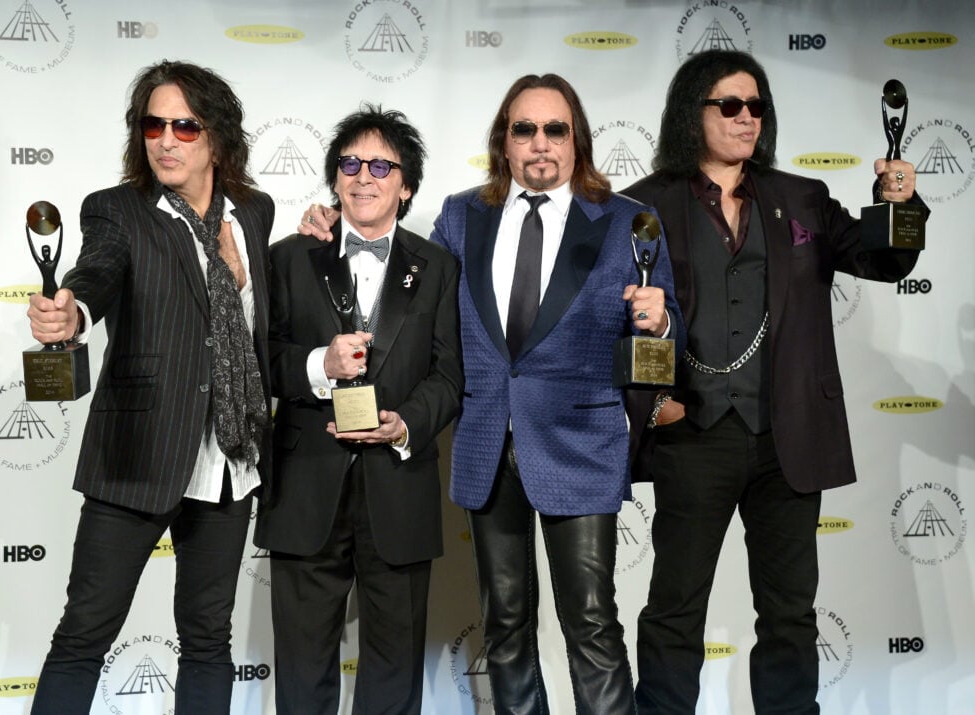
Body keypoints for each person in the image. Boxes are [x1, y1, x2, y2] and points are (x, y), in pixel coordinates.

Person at [302, 73, 685, 714]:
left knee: (590, 623)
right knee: (504, 624)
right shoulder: (462, 214)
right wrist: (334, 223)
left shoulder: (625, 223)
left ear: (577, 141)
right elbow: (416, 300)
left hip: (581, 445)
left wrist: (660, 320)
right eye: (524, 129)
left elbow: (661, 329)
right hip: (485, 442)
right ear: (503, 143)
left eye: (554, 129)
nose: (539, 143)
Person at [621, 50, 929, 715]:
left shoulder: (802, 198)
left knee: (789, 615)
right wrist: (653, 403)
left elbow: (886, 257)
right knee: (675, 612)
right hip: (692, 436)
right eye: (729, 105)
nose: (746, 117)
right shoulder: (641, 206)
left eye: (756, 105)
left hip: (786, 438)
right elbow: (608, 319)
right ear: (692, 112)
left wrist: (898, 204)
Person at [26, 60, 274, 714]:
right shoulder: (118, 212)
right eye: (152, 124)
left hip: (230, 457)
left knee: (208, 639)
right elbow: (96, 273)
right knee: (85, 633)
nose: (165, 139)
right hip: (138, 453)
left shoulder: (254, 212)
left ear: (216, 139)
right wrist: (71, 312)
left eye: (184, 126)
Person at [254, 104, 463, 715]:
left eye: (380, 165)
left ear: (407, 185)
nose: (362, 176)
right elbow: (258, 358)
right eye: (349, 163)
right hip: (306, 484)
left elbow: (450, 375)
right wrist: (320, 364)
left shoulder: (439, 268)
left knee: (395, 672)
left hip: (399, 486)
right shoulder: (292, 255)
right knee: (300, 667)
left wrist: (407, 424)